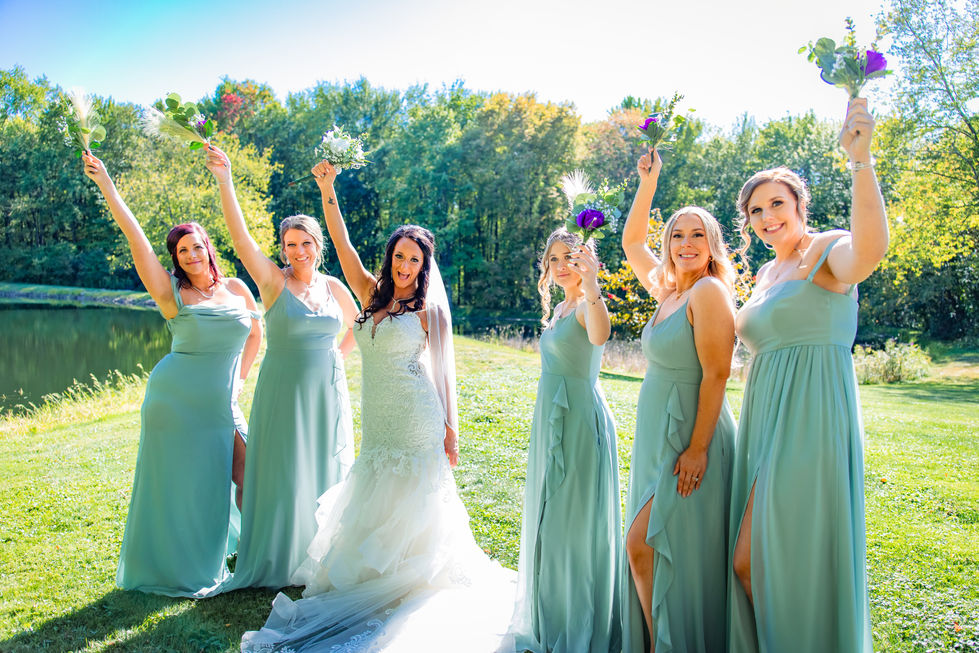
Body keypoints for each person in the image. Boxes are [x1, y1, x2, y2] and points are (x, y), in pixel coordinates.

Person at [240, 160, 515, 652]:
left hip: (416, 418)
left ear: (424, 267)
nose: (405, 267)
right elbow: (342, 245)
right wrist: (328, 189)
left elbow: (442, 373)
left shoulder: (428, 310)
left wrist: (451, 428)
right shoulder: (368, 293)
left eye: (414, 261)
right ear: (389, 258)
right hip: (380, 423)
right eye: (399, 257)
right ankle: (374, 572)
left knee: (414, 504)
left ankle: (411, 578)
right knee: (375, 494)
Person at [728, 98, 887, 652]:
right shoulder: (767, 272)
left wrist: (860, 162)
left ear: (800, 203)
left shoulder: (825, 252)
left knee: (767, 557)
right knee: (749, 561)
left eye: (777, 203)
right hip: (764, 424)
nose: (768, 217)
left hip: (812, 422)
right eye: (756, 211)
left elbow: (869, 252)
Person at [82, 152, 262, 598]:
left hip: (222, 403)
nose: (191, 254)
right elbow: (136, 239)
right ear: (177, 260)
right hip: (175, 403)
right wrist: (107, 183)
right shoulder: (171, 294)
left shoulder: (236, 288)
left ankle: (256, 554)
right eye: (182, 251)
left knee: (251, 474)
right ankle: (182, 562)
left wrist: (238, 380)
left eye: (197, 246)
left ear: (209, 248)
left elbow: (257, 335)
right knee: (185, 486)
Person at [205, 145, 359, 589]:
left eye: (305, 243)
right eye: (290, 244)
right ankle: (280, 556)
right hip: (283, 391)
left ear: (317, 245)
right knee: (285, 471)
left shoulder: (333, 286)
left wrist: (336, 359)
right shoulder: (274, 283)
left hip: (327, 391)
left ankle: (321, 557)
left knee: (325, 467)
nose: (297, 251)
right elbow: (240, 241)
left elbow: (359, 328)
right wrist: (225, 179)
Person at [619, 149, 738, 652]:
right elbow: (630, 242)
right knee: (656, 547)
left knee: (643, 543)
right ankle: (660, 641)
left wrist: (697, 448)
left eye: (697, 235)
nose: (685, 244)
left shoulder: (708, 292)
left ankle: (669, 644)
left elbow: (717, 373)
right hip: (656, 433)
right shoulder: (668, 289)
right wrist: (648, 183)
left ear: (711, 244)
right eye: (676, 235)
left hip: (693, 432)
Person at [508, 228, 622, 652]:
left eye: (568, 258)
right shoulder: (560, 306)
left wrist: (592, 285)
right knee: (550, 519)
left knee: (571, 522)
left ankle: (578, 624)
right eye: (553, 259)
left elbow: (599, 336)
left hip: (578, 422)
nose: (559, 266)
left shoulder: (587, 305)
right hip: (550, 418)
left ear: (585, 261)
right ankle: (550, 612)